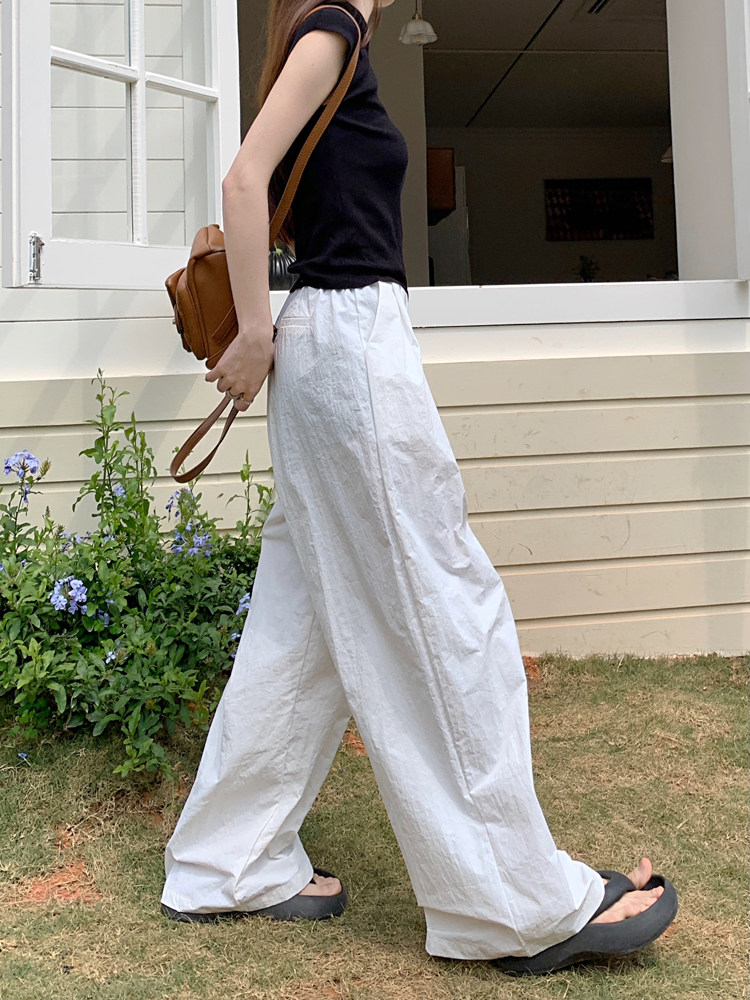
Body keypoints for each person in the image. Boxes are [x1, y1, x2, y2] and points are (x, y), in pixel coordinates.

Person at [160, 0, 677, 975]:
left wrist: (275, 335)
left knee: (301, 626)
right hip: (347, 345)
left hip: (333, 346)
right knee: (447, 611)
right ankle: (517, 907)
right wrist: (255, 333)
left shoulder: (330, 35)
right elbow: (243, 178)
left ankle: (227, 861)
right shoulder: (332, 28)